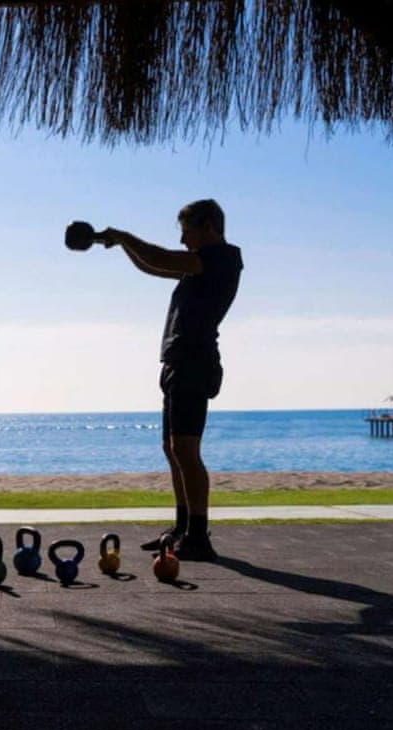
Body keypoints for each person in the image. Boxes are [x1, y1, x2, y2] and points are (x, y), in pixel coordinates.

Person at [98, 200, 242, 561]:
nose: (182, 240)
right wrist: (123, 246)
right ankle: (182, 529)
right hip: (178, 363)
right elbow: (153, 265)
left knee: (186, 451)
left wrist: (124, 236)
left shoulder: (221, 257)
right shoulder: (197, 265)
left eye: (187, 231)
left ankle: (198, 536)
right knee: (172, 448)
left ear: (209, 227)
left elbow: (161, 258)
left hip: (195, 362)